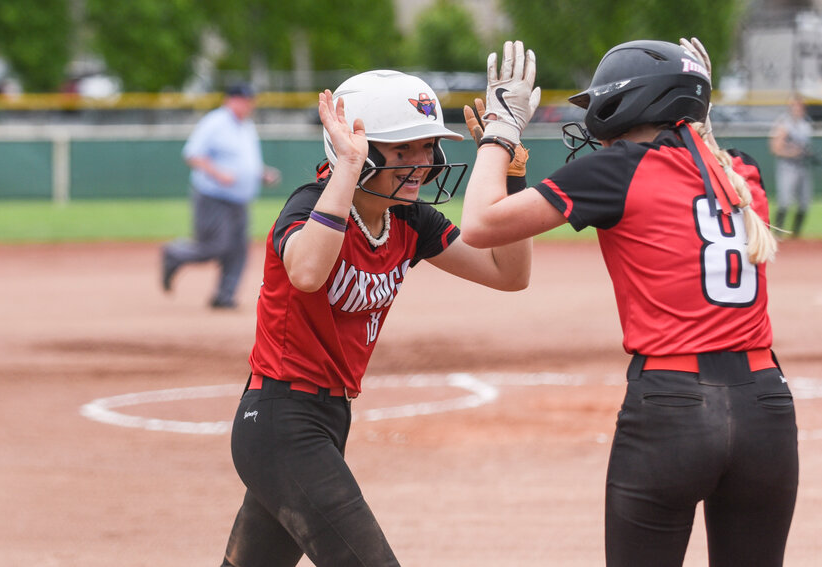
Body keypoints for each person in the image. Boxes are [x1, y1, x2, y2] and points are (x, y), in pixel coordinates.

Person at [461, 39, 798, 567]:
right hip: (767, 407)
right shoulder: (743, 173)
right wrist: (700, 110)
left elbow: (480, 223)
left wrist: (501, 132)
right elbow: (702, 164)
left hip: (673, 406)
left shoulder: (618, 168)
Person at [220, 70, 532, 566]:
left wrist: (510, 169)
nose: (422, 163)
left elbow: (508, 273)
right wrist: (345, 170)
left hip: (328, 419)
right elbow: (305, 271)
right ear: (359, 150)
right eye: (403, 150)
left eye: (426, 147)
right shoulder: (308, 206)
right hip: (280, 422)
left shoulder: (407, 219)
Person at [161, 83, 281, 309]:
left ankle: (224, 296)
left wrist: (262, 174)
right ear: (230, 100)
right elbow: (192, 154)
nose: (248, 105)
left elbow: (245, 161)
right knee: (214, 246)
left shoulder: (246, 126)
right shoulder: (215, 122)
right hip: (213, 196)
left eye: (250, 101)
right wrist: (218, 173)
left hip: (240, 199)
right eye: (244, 100)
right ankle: (174, 254)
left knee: (238, 250)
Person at [769, 93, 814, 238]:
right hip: (788, 166)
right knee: (785, 201)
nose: (798, 108)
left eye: (801, 106)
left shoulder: (805, 123)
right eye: (795, 105)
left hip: (802, 166)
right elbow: (775, 148)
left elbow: (805, 147)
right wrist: (792, 152)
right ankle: (778, 234)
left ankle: (795, 237)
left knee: (804, 202)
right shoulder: (783, 123)